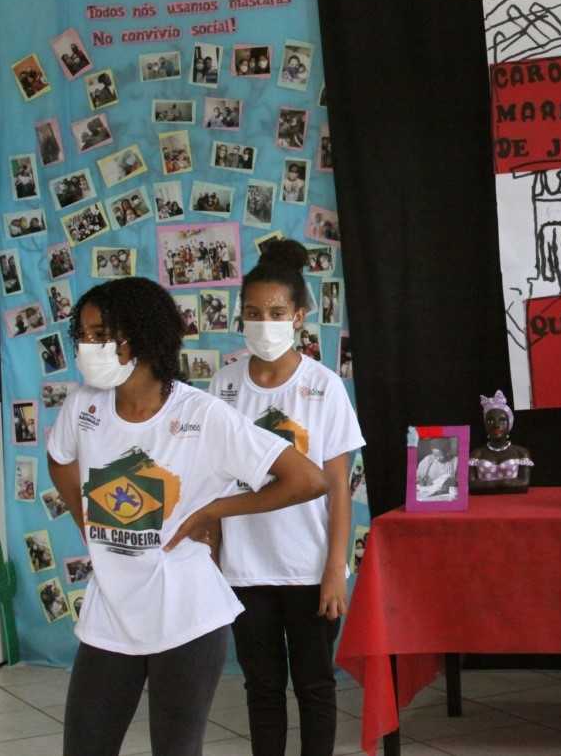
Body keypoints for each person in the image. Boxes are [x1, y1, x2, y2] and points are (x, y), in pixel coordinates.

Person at [47, 277, 329, 756]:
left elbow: (307, 479)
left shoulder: (203, 416)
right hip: (110, 616)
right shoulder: (83, 405)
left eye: (99, 335)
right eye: (84, 335)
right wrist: (86, 520)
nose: (86, 347)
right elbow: (59, 459)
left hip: (187, 618)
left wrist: (216, 509)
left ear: (136, 336)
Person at [208, 239, 364, 756]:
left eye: (276, 312)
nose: (264, 322)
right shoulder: (224, 386)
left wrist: (334, 570)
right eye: (252, 313)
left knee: (315, 687)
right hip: (245, 569)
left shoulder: (323, 387)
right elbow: (213, 478)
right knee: (262, 689)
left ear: (299, 315)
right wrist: (213, 558)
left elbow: (338, 485)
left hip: (307, 567)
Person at [468, 390, 533, 492]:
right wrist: (505, 483)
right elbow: (471, 484)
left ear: (509, 424)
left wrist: (486, 485)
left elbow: (524, 483)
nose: (497, 425)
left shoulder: (521, 453)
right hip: (484, 504)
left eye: (502, 421)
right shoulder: (477, 454)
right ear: (485, 425)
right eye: (490, 421)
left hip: (514, 504)